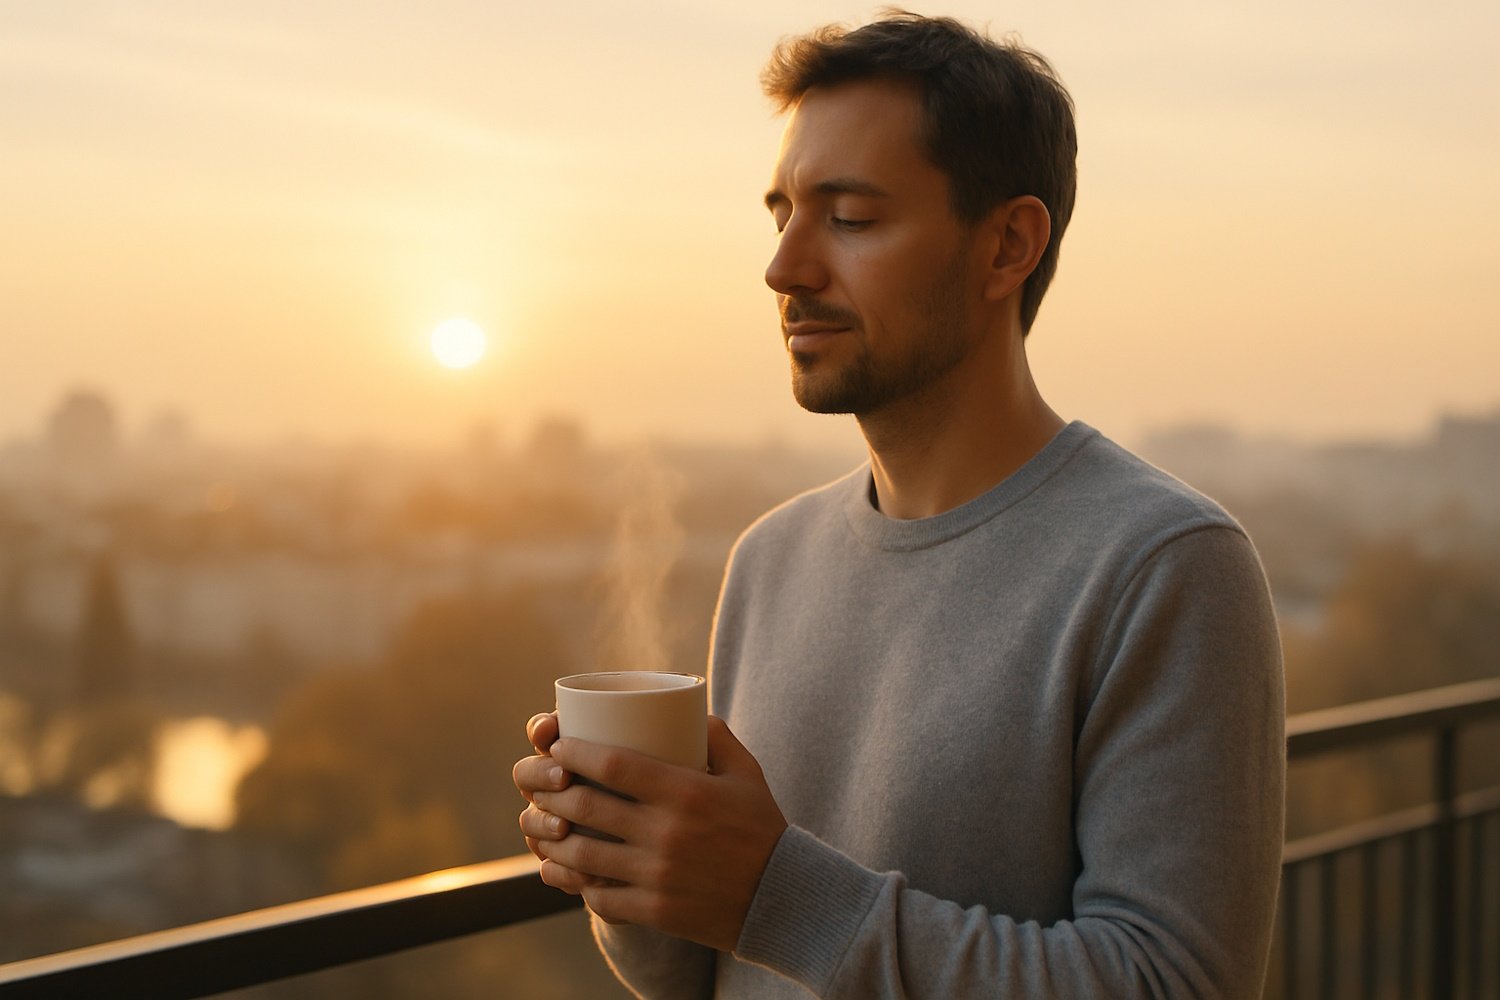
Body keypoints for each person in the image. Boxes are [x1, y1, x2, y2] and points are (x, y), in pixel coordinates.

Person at [513, 11, 1284, 998]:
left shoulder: (1163, 565)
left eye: (850, 217)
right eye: (780, 212)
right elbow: (718, 971)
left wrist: (772, 891)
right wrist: (629, 869)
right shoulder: (770, 557)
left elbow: (1171, 984)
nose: (784, 267)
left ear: (1008, 245)